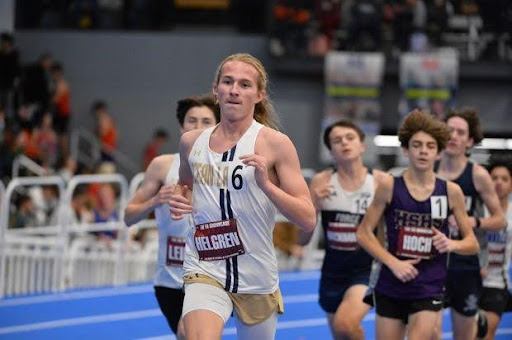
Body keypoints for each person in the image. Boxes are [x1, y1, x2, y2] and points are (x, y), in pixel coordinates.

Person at [169, 53, 317, 340]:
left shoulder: (275, 144)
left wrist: (267, 186)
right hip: (205, 265)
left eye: (245, 84)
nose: (234, 89)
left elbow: (308, 218)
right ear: (216, 89)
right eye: (228, 82)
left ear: (259, 94)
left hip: (256, 274)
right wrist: (179, 196)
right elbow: (184, 183)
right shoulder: (191, 142)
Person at [356, 110, 479, 339]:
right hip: (391, 282)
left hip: (429, 286)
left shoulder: (451, 192)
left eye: (430, 146)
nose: (423, 150)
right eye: (417, 145)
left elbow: (472, 243)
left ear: (439, 152)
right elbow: (363, 233)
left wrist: (451, 244)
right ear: (406, 150)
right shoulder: (389, 186)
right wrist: (394, 263)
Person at [124, 94, 220, 339]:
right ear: (181, 126)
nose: (198, 127)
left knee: (191, 334)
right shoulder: (162, 166)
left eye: (206, 121)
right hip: (170, 278)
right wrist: (155, 201)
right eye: (192, 121)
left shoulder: (225, 168)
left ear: (217, 126)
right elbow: (128, 216)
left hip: (210, 275)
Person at [302, 120, 388, 339]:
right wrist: (315, 208)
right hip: (332, 271)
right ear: (331, 151)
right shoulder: (321, 182)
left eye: (350, 138)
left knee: (345, 325)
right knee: (342, 334)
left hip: (367, 269)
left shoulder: (380, 182)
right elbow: (303, 238)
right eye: (337, 140)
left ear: (362, 145)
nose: (344, 143)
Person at [434, 108, 505, 340]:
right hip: (431, 262)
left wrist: (472, 220)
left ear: (470, 140)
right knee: (427, 332)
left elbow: (499, 220)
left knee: (464, 336)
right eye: (449, 130)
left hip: (465, 263)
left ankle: (477, 320)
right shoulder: (428, 169)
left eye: (460, 132)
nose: (453, 135)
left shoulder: (477, 175)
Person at [479, 155, 512, 340]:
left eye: (504, 179)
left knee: (487, 331)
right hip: (472, 280)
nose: (499, 183)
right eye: (494, 178)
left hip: (497, 283)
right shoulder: (478, 210)